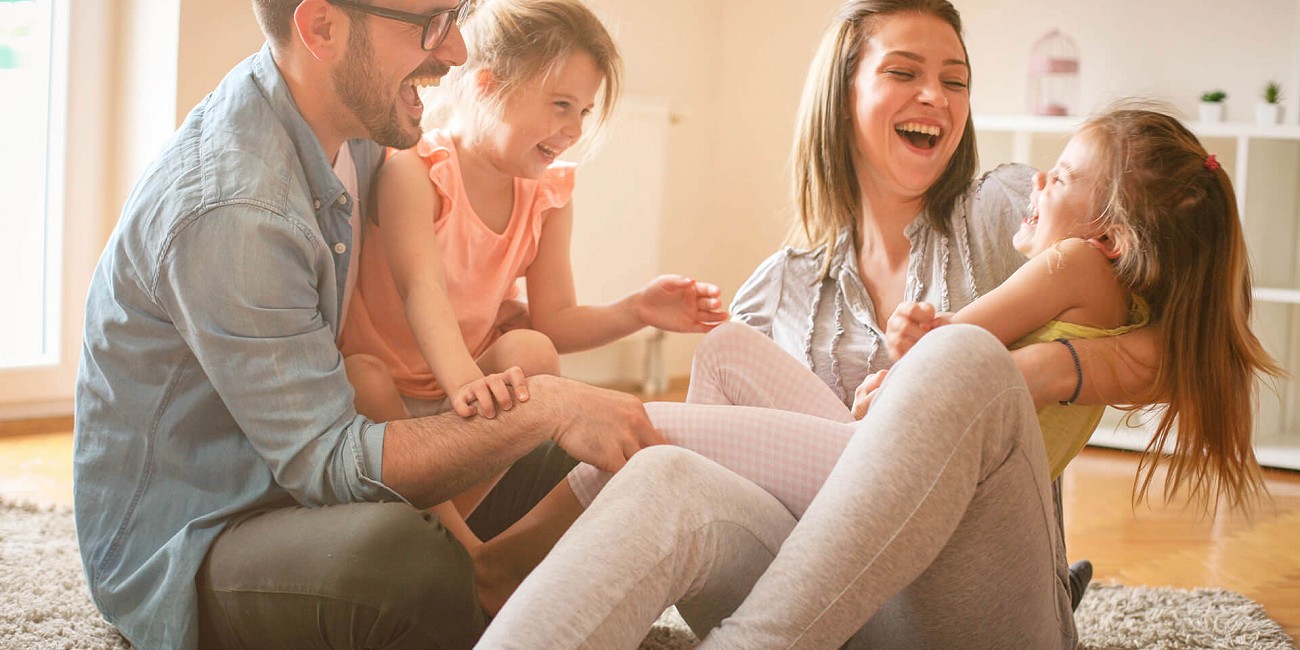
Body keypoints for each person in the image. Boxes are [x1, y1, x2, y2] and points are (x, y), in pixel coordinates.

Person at [474, 4, 1271, 649]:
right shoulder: (777, 286)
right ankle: (492, 588)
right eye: (904, 72)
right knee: (672, 455)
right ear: (843, 94)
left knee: (961, 357)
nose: (936, 96)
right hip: (834, 595)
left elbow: (1187, 320)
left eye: (954, 80)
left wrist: (1054, 369)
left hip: (970, 600)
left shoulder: (1007, 214)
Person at [71, 1, 663, 649]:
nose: (459, 52)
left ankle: (488, 586)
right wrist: (540, 407)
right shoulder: (239, 211)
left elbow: (434, 275)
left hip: (298, 475)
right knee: (402, 559)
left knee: (569, 460)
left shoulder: (356, 126)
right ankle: (481, 587)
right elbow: (325, 461)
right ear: (321, 27)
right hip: (208, 529)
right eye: (431, 22)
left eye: (456, 16)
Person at [338, 0, 727, 551]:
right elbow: (420, 290)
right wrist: (469, 388)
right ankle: (468, 556)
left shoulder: (546, 193)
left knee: (535, 350)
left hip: (465, 390)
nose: (572, 130)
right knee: (361, 376)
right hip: (395, 397)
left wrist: (638, 309)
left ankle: (459, 536)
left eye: (584, 112)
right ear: (487, 85)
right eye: (561, 105)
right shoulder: (416, 170)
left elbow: (557, 320)